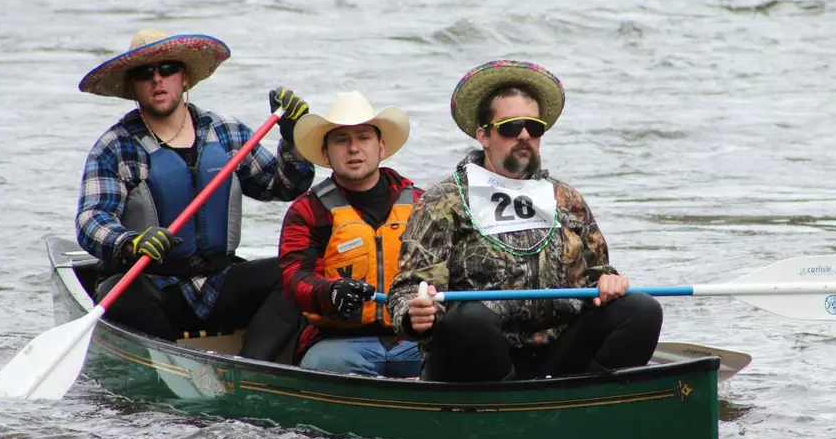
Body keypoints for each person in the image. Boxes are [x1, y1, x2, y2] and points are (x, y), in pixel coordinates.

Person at [386, 60, 663, 382]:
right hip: (471, 356)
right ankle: (501, 410)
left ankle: (592, 398)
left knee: (641, 309)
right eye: (509, 127)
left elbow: (597, 274)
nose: (523, 136)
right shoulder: (443, 202)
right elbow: (406, 289)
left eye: (534, 127)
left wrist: (610, 282)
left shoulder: (566, 199)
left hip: (556, 352)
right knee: (469, 317)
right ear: (484, 135)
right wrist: (414, 313)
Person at [75, 28, 315, 361]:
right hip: (153, 289)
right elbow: (91, 221)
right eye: (145, 73)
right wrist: (130, 242)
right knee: (120, 292)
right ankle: (171, 367)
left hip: (219, 283)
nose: (158, 79)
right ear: (133, 87)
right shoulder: (114, 147)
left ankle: (252, 368)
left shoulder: (227, 133)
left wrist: (294, 138)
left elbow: (284, 185)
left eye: (167, 69)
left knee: (294, 275)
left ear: (184, 78)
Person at [278, 91, 423, 377]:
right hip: (337, 343)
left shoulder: (421, 203)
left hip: (413, 340)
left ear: (381, 147)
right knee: (326, 367)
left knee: (460, 356)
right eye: (342, 140)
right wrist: (329, 292)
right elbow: (294, 277)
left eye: (363, 138)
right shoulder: (307, 210)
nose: (354, 148)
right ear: (326, 153)